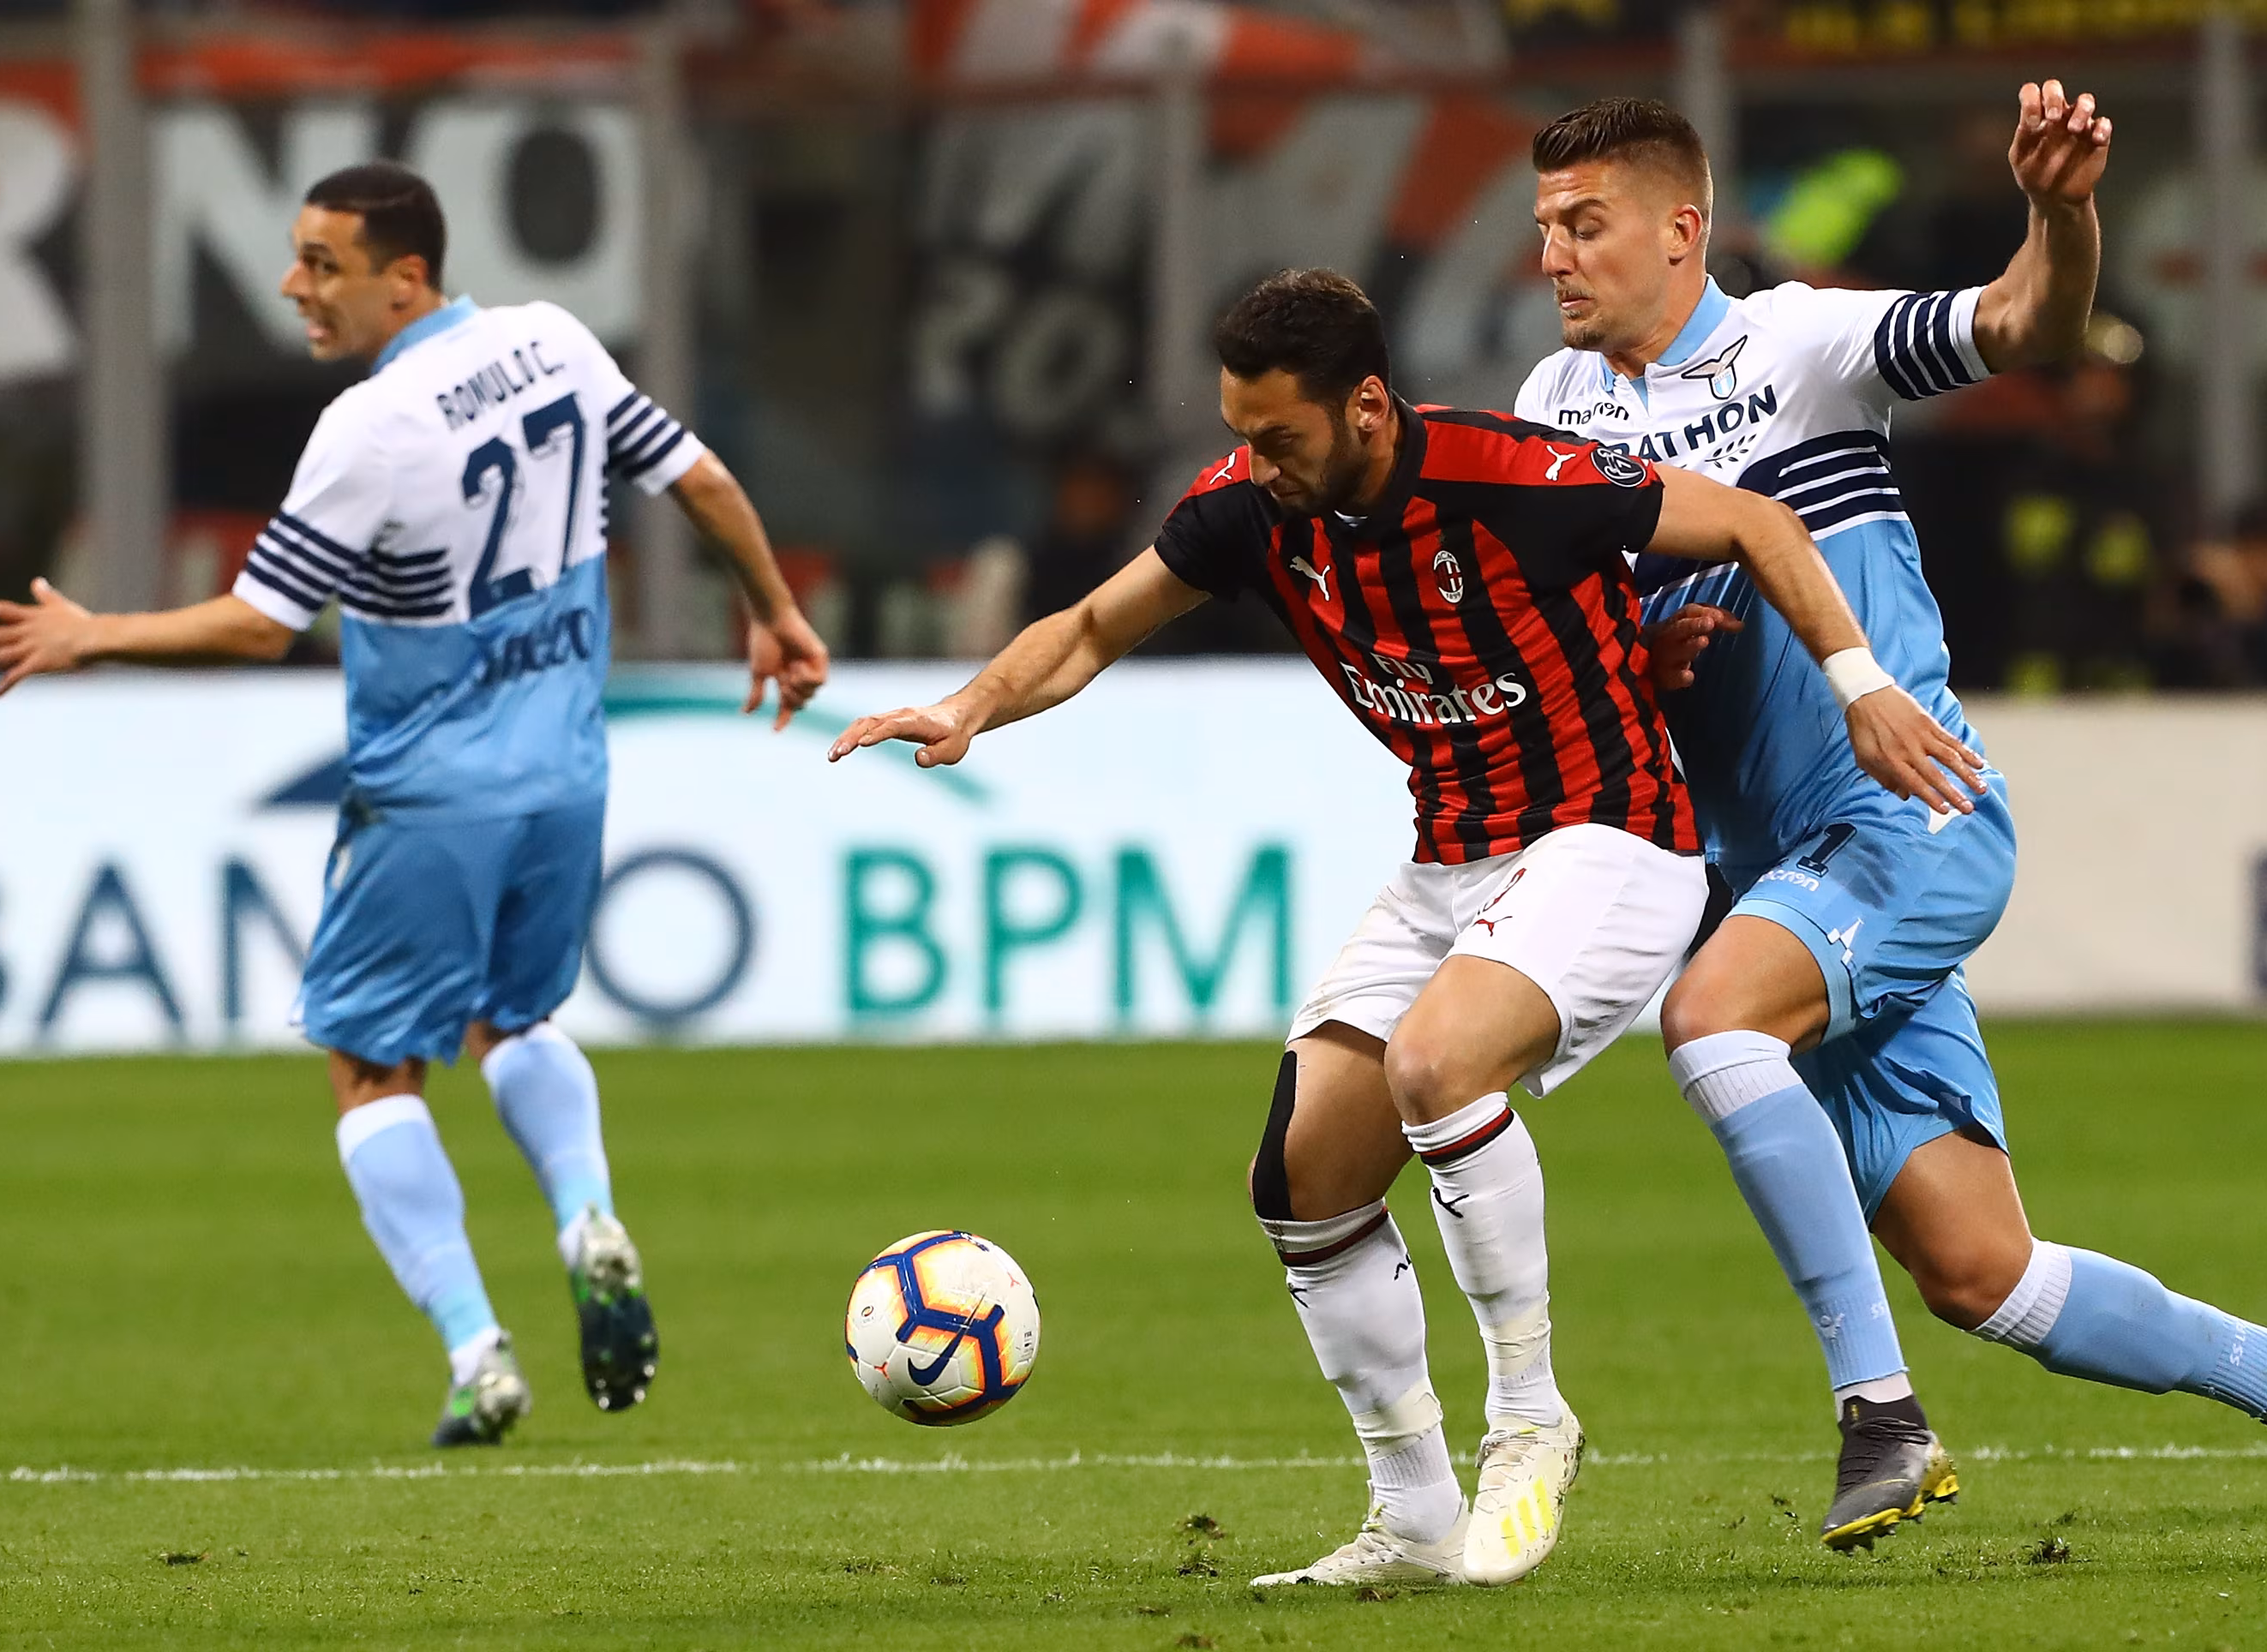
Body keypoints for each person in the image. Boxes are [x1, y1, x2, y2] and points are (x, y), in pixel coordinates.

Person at [831, 268, 1982, 1589]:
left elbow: (1757, 523)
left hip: (1612, 840)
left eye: (1280, 436)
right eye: (1241, 433)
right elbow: (1094, 626)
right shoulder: (1250, 510)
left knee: (1438, 1067)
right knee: (1305, 1181)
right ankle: (1415, 1517)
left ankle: (1532, 1422)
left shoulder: (1514, 476)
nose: (1256, 462)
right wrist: (971, 706)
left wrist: (1859, 685)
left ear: (1368, 407)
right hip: (1452, 863)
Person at [1518, 92, 2267, 1561]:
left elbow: (2025, 325)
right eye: (1545, 225)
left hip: (1905, 816)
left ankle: (1881, 1418)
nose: (1553, 253)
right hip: (1769, 874)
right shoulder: (1553, 409)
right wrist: (1637, 656)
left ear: (1681, 229)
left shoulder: (1801, 344)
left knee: (1714, 1022)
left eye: (1584, 222)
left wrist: (2060, 212)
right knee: (1984, 1274)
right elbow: (1574, 640)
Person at [0, 162, 831, 1447]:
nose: (293, 286)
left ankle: (478, 1349)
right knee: (515, 1020)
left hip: (430, 792)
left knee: (372, 1072)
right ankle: (587, 1215)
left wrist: (95, 636)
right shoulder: (553, 341)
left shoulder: (369, 430)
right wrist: (773, 609)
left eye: (323, 264)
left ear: (405, 278)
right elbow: (699, 480)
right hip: (567, 773)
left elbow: (259, 626)